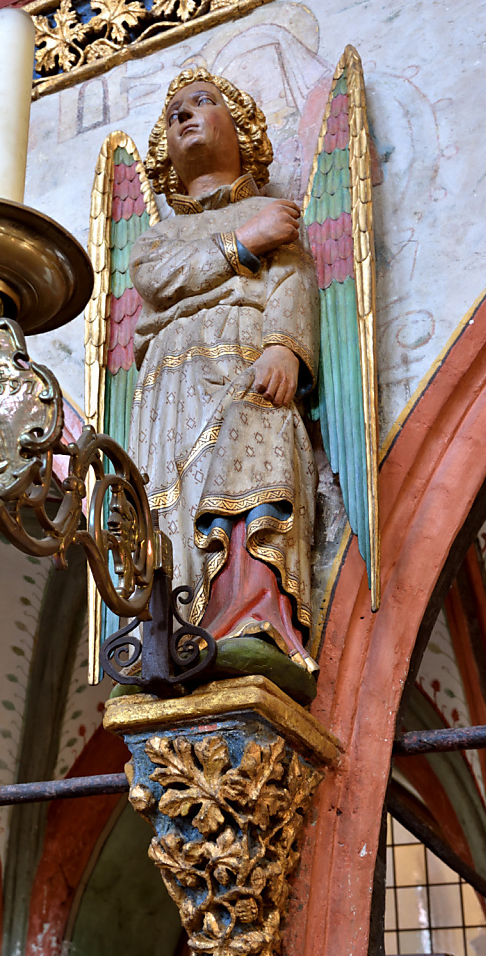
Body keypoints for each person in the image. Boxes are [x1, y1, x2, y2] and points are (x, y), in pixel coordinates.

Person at [128, 67, 320, 675]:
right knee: (168, 500)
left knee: (256, 455)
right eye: (175, 111)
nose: (186, 115)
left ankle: (248, 614)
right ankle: (170, 633)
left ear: (242, 132)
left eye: (203, 103)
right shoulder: (158, 237)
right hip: (170, 378)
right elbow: (160, 279)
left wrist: (285, 347)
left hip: (246, 359)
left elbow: (293, 282)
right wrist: (244, 242)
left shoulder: (272, 211)